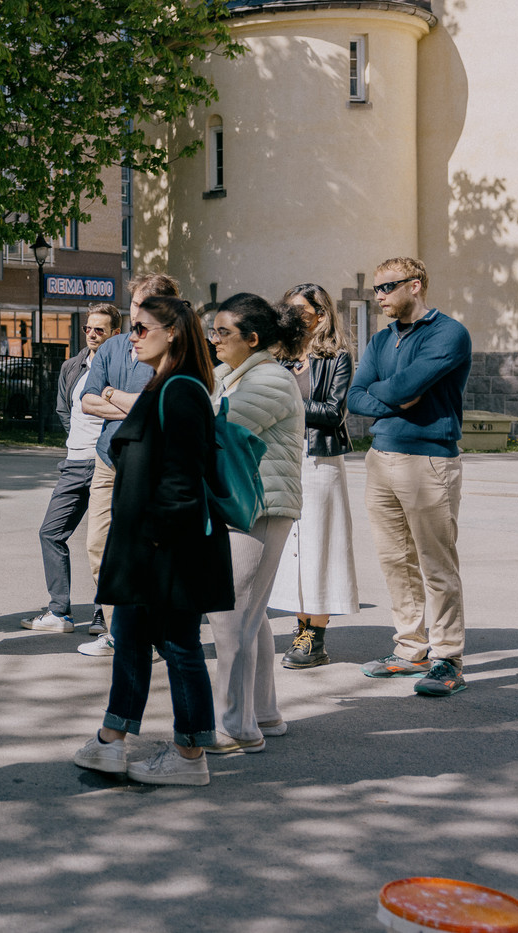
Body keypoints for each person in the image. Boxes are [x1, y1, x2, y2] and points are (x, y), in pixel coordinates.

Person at [71, 296, 231, 786]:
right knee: (132, 640)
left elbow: (182, 481)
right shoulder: (165, 386)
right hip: (145, 544)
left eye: (141, 328)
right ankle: (110, 741)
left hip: (166, 548)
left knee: (180, 646)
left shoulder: (180, 389)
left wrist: (157, 550)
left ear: (173, 332)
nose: (131, 336)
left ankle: (189, 757)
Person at [348, 257, 472, 697]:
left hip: (430, 461)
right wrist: (395, 398)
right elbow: (356, 397)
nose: (379, 297)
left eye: (387, 288)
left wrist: (393, 394)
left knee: (436, 564)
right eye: (376, 290)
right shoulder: (381, 340)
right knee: (395, 561)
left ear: (415, 285)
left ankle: (447, 658)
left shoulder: (448, 334)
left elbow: (397, 390)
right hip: (380, 459)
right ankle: (410, 648)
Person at [203, 294, 308, 755]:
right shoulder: (240, 375)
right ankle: (261, 713)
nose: (214, 339)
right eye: (213, 330)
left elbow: (219, 429)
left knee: (231, 618)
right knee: (251, 617)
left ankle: (235, 727)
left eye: (223, 332)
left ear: (253, 338)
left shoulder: (268, 380)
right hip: (252, 504)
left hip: (259, 507)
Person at [77, 275, 178, 657]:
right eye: (134, 303)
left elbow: (161, 406)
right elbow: (87, 401)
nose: (136, 311)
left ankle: (151, 630)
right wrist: (129, 402)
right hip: (109, 460)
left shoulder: (174, 350)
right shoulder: (114, 347)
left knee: (148, 550)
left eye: (145, 304)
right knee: (100, 544)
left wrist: (112, 395)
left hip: (153, 463)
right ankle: (121, 629)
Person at [269, 285, 359, 668]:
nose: (289, 316)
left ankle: (315, 636)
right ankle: (300, 626)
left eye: (297, 310)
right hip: (285, 459)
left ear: (319, 316)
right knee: (291, 550)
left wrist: (283, 403)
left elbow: (332, 411)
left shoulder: (337, 358)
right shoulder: (280, 358)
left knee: (319, 546)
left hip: (320, 461)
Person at [23, 305, 116, 634]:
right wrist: (77, 441)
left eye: (100, 330)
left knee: (103, 541)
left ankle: (103, 613)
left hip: (105, 461)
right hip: (74, 461)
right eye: (88, 329)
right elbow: (65, 409)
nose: (91, 335)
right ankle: (60, 612)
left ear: (115, 333)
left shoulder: (117, 365)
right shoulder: (72, 366)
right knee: (51, 532)